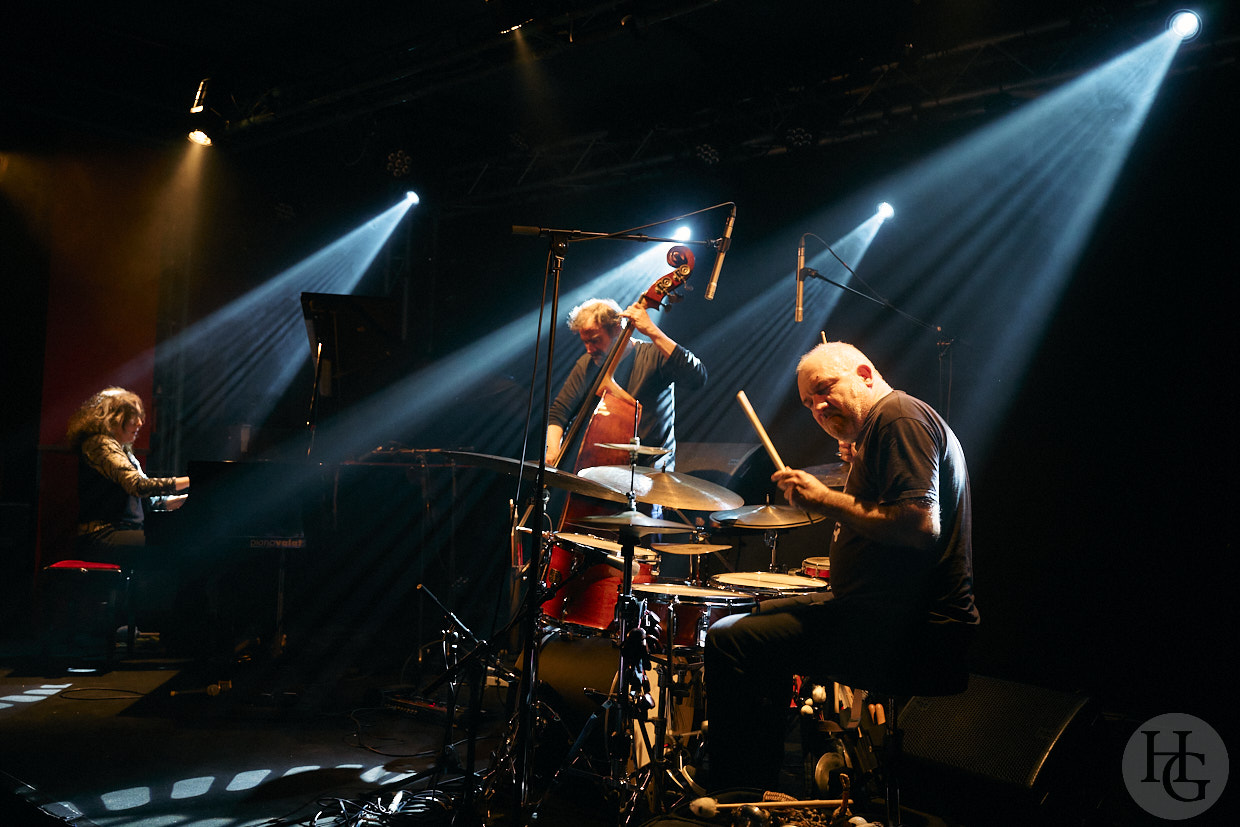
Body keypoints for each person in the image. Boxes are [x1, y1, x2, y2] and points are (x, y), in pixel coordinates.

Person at [704, 342, 978, 791]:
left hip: (913, 631)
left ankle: (740, 795)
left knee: (732, 640)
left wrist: (825, 500)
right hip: (884, 617)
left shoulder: (899, 418)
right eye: (808, 402)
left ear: (865, 375)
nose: (817, 406)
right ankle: (760, 786)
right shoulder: (883, 427)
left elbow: (919, 526)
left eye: (824, 389)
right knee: (753, 619)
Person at [546, 298, 707, 472]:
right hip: (601, 469)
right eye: (585, 342)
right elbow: (559, 412)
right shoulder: (586, 365)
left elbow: (697, 377)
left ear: (617, 329)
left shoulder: (655, 356)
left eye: (595, 340)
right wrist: (553, 450)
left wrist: (652, 331)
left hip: (651, 472)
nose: (589, 349)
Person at [66, 387, 190, 561]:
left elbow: (153, 502)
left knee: (185, 538)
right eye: (133, 417)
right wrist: (191, 480)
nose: (140, 423)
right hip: (103, 534)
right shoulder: (99, 445)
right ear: (113, 418)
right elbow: (138, 486)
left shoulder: (124, 451)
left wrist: (190, 498)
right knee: (175, 542)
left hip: (124, 532)